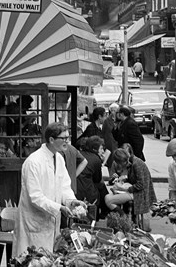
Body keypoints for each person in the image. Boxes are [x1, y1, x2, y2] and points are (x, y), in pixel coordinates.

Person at [13, 122, 86, 255]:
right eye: (63, 138)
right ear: (51, 140)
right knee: (30, 260)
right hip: (34, 224)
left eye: (68, 138)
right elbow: (35, 197)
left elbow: (64, 186)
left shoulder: (59, 158)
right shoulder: (33, 162)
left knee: (47, 259)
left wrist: (71, 201)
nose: (67, 141)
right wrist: (59, 208)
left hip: (51, 224)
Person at [105, 147, 156, 231]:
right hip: (134, 191)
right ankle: (124, 218)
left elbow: (141, 184)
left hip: (139, 194)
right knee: (107, 197)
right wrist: (122, 182)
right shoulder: (132, 163)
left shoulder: (136, 164)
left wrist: (124, 189)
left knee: (108, 200)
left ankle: (124, 219)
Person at [76, 136, 108, 220]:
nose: (102, 151)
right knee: (101, 189)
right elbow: (97, 179)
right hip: (86, 191)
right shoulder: (96, 159)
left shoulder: (79, 153)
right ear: (94, 149)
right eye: (101, 148)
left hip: (74, 187)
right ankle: (100, 215)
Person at [102, 104, 119, 173]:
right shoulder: (106, 121)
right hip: (109, 143)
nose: (113, 112)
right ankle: (111, 176)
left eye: (115, 110)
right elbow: (103, 132)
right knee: (110, 161)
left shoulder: (119, 120)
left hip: (117, 143)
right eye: (112, 110)